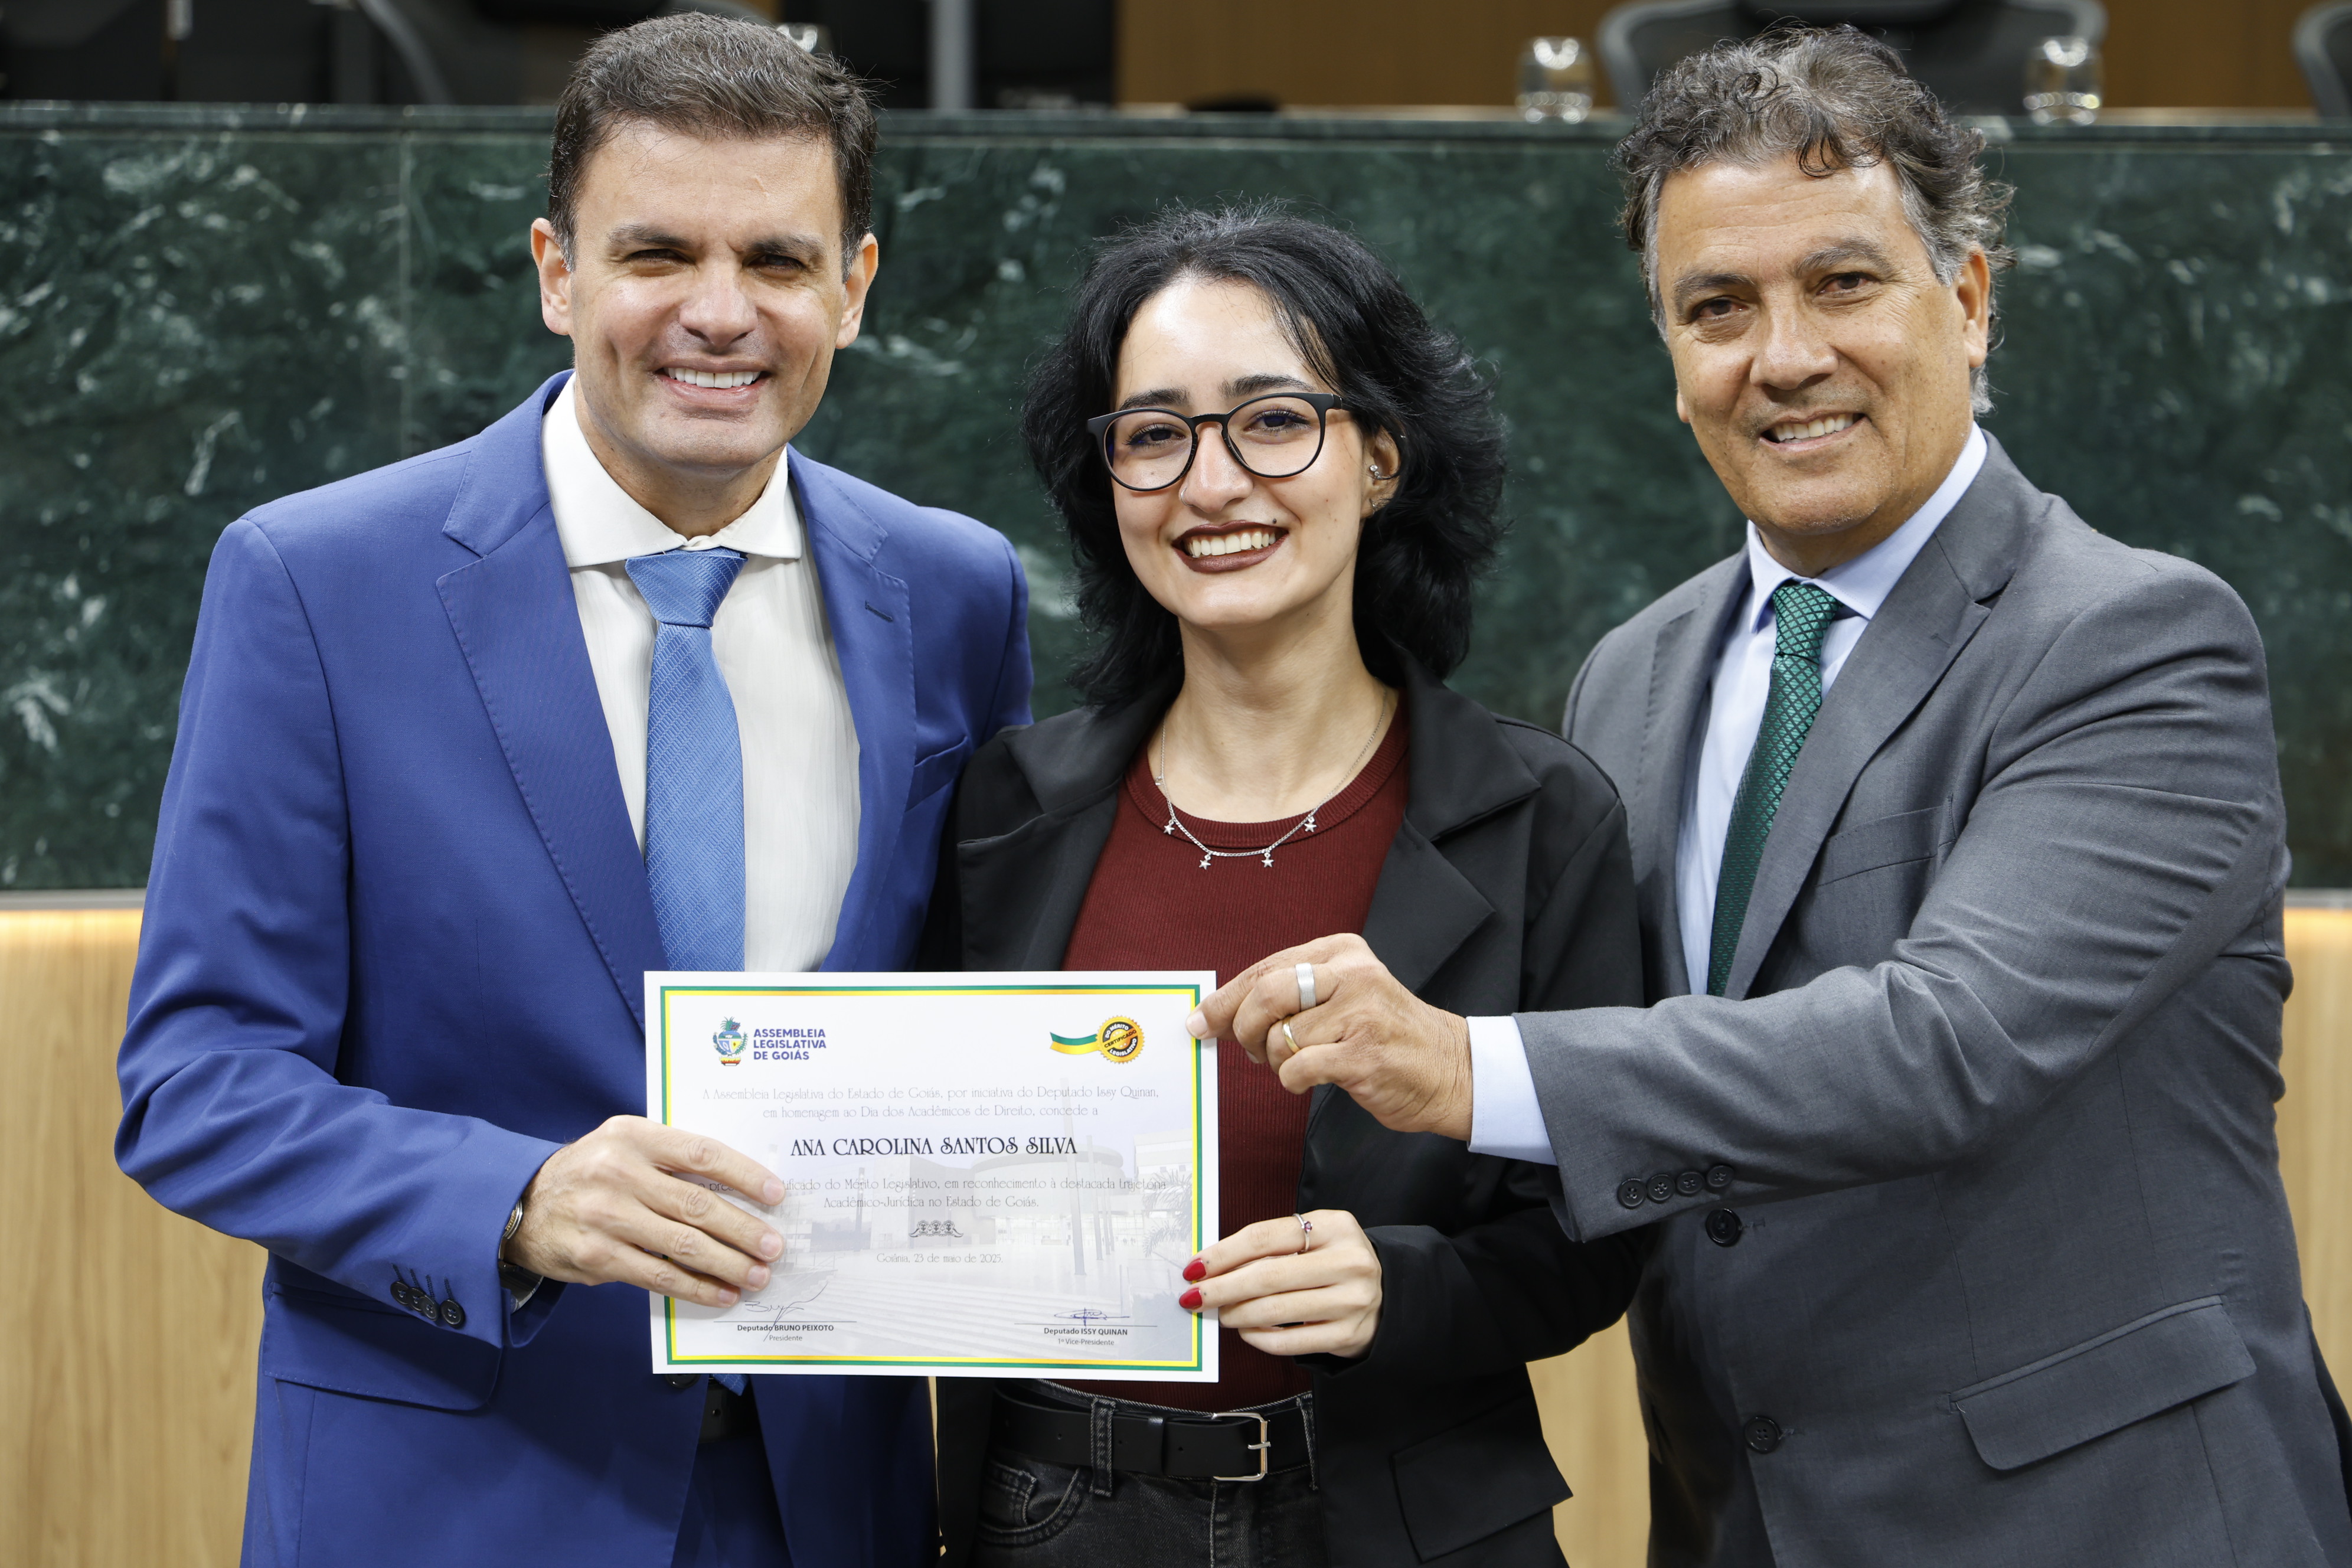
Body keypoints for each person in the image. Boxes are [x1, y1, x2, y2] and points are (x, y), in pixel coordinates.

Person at [1194, 28, 2352, 1568]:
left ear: (1972, 301)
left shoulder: (2135, 641)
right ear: (1671, 353)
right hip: (1743, 1521)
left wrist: (1462, 1063)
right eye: (1718, 307)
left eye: (1843, 282)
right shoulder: (1632, 678)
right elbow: (1616, 1109)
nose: (1784, 356)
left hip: (2107, 1523)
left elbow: (1942, 1046)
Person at [114, 17, 1028, 1567]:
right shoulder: (316, 583)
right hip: (455, 1499)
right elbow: (197, 1084)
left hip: (826, 1502)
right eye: (657, 253)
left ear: (856, 288)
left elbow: (978, 1017)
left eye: (779, 261)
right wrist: (519, 1200)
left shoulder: (955, 592)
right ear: (556, 271)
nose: (719, 313)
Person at [921, 205, 1646, 1568]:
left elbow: (1604, 1230)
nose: (1211, 484)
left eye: (1271, 421)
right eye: (1155, 434)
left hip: (1409, 1517)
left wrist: (1403, 1284)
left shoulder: (1541, 816)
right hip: (1053, 1517)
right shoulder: (1005, 807)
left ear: (1380, 456)